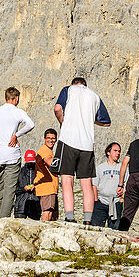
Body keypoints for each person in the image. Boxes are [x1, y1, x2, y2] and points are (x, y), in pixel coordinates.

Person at [53, 77, 111, 224]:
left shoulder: (68, 90)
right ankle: (87, 220)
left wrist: (62, 121)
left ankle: (70, 217)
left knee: (67, 180)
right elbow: (106, 122)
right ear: (85, 85)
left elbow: (57, 108)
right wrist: (89, 119)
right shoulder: (94, 96)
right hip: (87, 144)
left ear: (73, 83)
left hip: (68, 140)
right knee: (87, 184)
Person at [0, 86, 35, 227]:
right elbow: (31, 124)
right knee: (9, 191)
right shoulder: (17, 112)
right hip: (12, 155)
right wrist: (16, 135)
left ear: (5, 97)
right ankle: (1, 224)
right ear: (16, 98)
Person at [90, 142, 124, 228]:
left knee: (114, 230)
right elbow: (94, 185)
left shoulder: (122, 168)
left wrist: (121, 199)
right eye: (115, 151)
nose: (118, 153)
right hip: (101, 202)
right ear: (108, 152)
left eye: (119, 151)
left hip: (116, 202)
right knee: (96, 228)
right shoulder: (100, 168)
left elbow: (126, 183)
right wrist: (96, 200)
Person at [34, 129, 60, 221]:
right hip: (47, 187)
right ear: (44, 139)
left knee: (51, 213)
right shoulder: (45, 150)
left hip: (49, 187)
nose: (51, 140)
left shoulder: (47, 150)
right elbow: (51, 163)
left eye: (53, 138)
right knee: (47, 212)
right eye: (48, 138)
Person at [13, 149, 41, 220]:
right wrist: (24, 189)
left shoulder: (39, 172)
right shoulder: (19, 172)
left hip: (35, 205)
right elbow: (14, 189)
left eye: (31, 162)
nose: (30, 164)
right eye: (29, 162)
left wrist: (36, 188)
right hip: (21, 206)